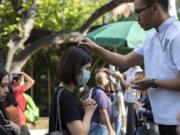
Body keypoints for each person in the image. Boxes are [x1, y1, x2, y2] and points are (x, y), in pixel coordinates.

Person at [79, 0, 180, 134]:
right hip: (161, 121)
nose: (136, 18)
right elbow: (124, 60)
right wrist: (95, 48)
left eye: (138, 12)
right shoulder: (151, 37)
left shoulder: (177, 35)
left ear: (155, 8)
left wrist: (152, 82)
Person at [48, 46, 97, 135]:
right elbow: (80, 133)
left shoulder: (64, 92)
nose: (88, 73)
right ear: (75, 68)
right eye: (86, 68)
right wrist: (89, 112)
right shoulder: (66, 96)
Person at [89, 70, 115, 135]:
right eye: (107, 79)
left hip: (99, 126)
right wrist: (110, 129)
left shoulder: (97, 91)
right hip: (99, 126)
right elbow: (103, 112)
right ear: (103, 81)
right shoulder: (100, 93)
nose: (109, 81)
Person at [0, 67, 20, 135]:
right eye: (3, 86)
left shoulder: (2, 110)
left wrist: (17, 130)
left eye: (7, 86)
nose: (7, 90)